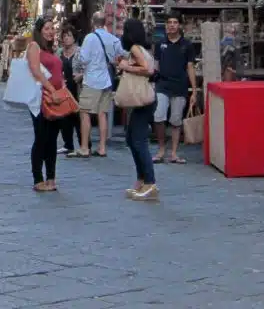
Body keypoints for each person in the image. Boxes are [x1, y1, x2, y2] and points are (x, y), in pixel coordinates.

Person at [118, 17, 159, 201]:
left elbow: (147, 69)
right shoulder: (142, 48)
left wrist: (126, 67)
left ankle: (149, 182)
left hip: (145, 100)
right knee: (132, 137)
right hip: (145, 99)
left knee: (138, 140)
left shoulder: (135, 48)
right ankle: (141, 180)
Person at [26, 16, 67, 192]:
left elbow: (59, 73)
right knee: (41, 138)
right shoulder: (34, 46)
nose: (51, 32)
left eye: (52, 28)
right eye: (47, 28)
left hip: (56, 98)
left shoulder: (52, 50)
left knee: (52, 140)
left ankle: (51, 178)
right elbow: (36, 71)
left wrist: (62, 89)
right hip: (41, 99)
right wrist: (51, 89)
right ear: (40, 30)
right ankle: (38, 178)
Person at [76, 10, 123, 158]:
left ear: (92, 22)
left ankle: (84, 147)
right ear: (104, 23)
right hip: (106, 80)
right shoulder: (112, 38)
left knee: (85, 112)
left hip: (91, 80)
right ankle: (102, 147)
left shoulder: (89, 38)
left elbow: (83, 59)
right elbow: (120, 54)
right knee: (102, 113)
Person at [153, 14, 198, 164]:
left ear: (180, 26)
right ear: (166, 26)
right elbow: (156, 65)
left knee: (176, 120)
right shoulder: (160, 44)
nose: (172, 25)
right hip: (162, 85)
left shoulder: (187, 45)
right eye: (169, 22)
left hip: (180, 86)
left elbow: (190, 67)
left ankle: (173, 153)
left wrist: (194, 90)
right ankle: (161, 149)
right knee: (158, 116)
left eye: (175, 22)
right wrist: (152, 82)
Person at [59, 25, 85, 156]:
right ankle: (67, 144)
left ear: (74, 37)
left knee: (79, 117)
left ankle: (84, 144)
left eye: (69, 36)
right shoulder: (59, 52)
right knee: (65, 117)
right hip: (64, 88)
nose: (66, 39)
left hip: (78, 87)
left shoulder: (80, 51)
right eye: (64, 36)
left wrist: (81, 75)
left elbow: (88, 67)